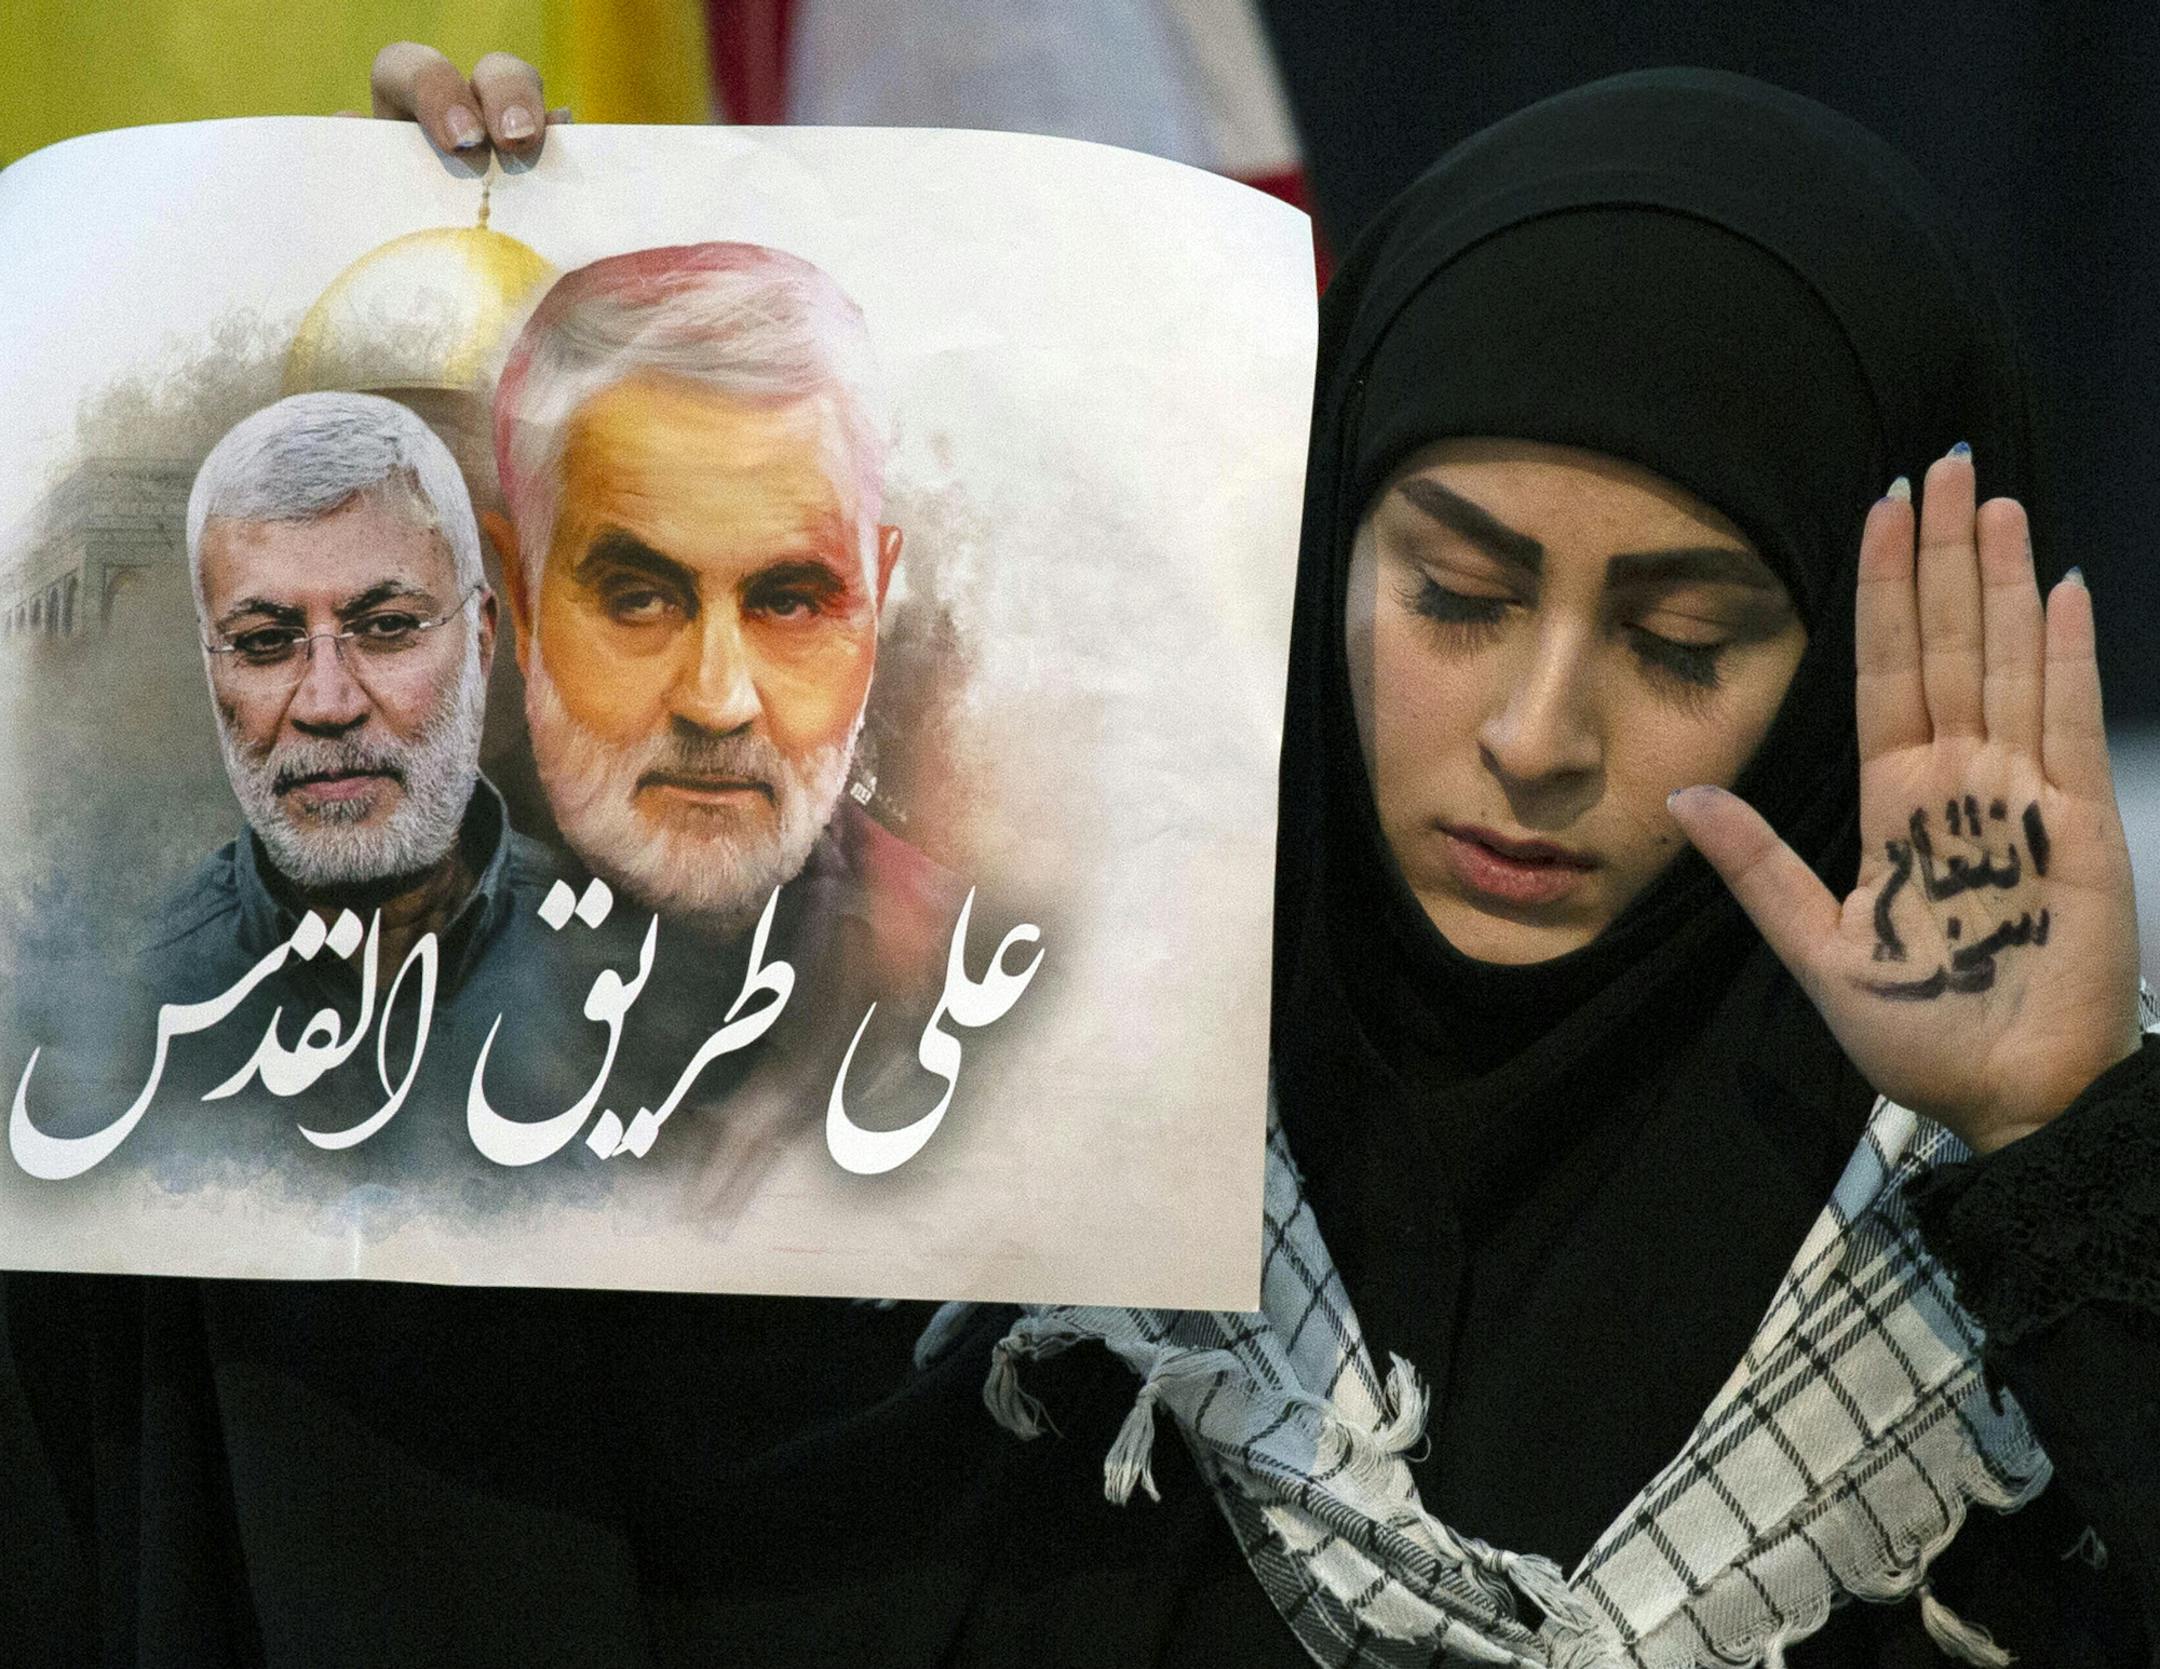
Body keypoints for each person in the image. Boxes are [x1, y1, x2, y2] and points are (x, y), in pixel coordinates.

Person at [6, 55, 2155, 1669]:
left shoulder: (2041, 1201)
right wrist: (464, 233)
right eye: (1457, 593)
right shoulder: (1079, 1106)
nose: (1535, 736)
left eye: (1688, 641)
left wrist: (2063, 1146)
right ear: (1325, 559)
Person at [481, 242, 970, 1198]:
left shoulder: (1005, 1008)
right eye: (638, 597)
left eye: (788, 602)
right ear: (523, 605)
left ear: (880, 599)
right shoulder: (346, 983)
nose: (717, 699)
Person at [7, 391, 579, 1190]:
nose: (327, 702)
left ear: (481, 639)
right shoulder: (118, 1017)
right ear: (213, 670)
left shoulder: (620, 975)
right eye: (266, 642)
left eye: (386, 626)